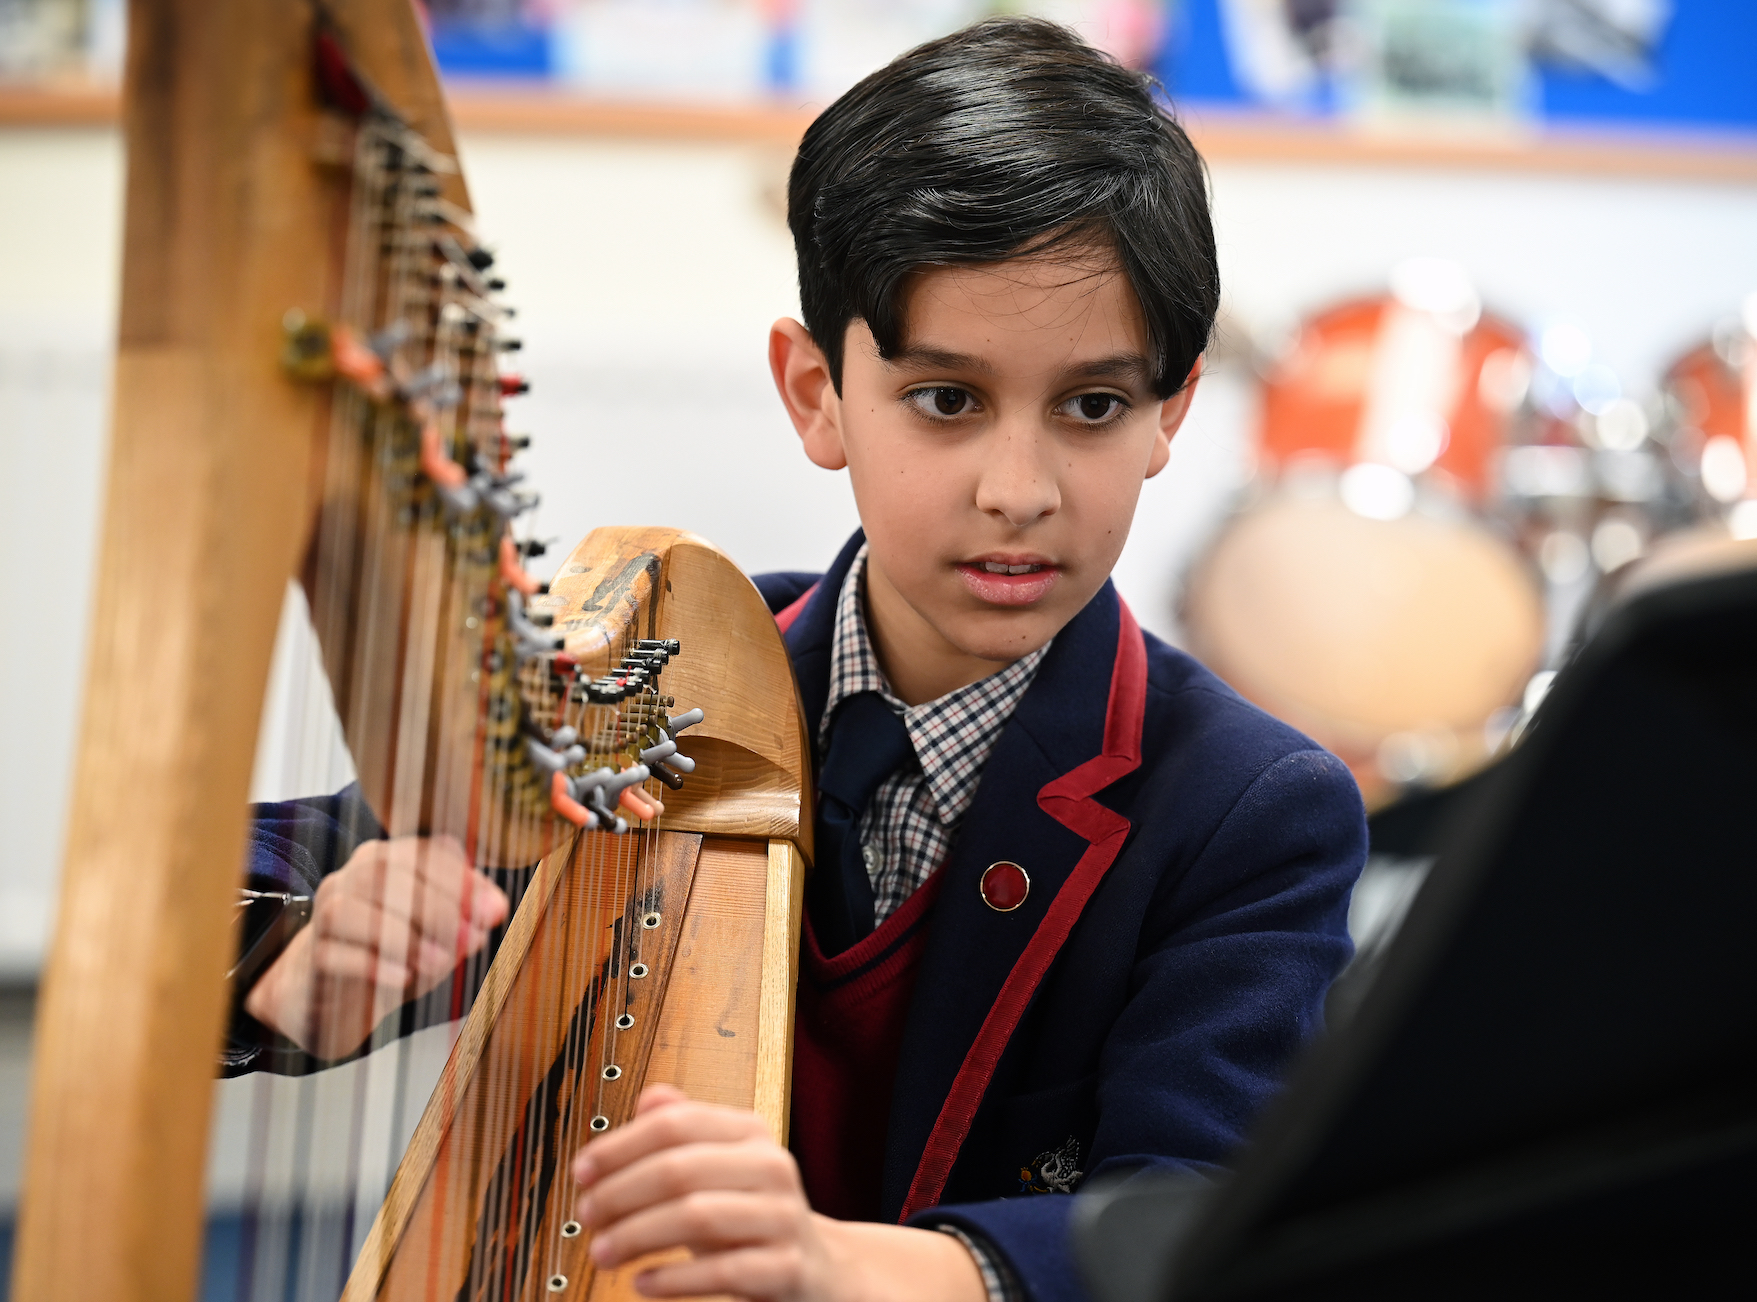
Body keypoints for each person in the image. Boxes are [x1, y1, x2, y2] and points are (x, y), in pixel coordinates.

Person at [234, 17, 1364, 1300]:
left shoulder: (1245, 806)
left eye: (1090, 407)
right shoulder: (665, 688)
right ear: (815, 393)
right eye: (945, 400)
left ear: (1170, 412)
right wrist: (298, 955)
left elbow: (1205, 1222)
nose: (1017, 489)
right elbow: (279, 869)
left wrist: (851, 1266)